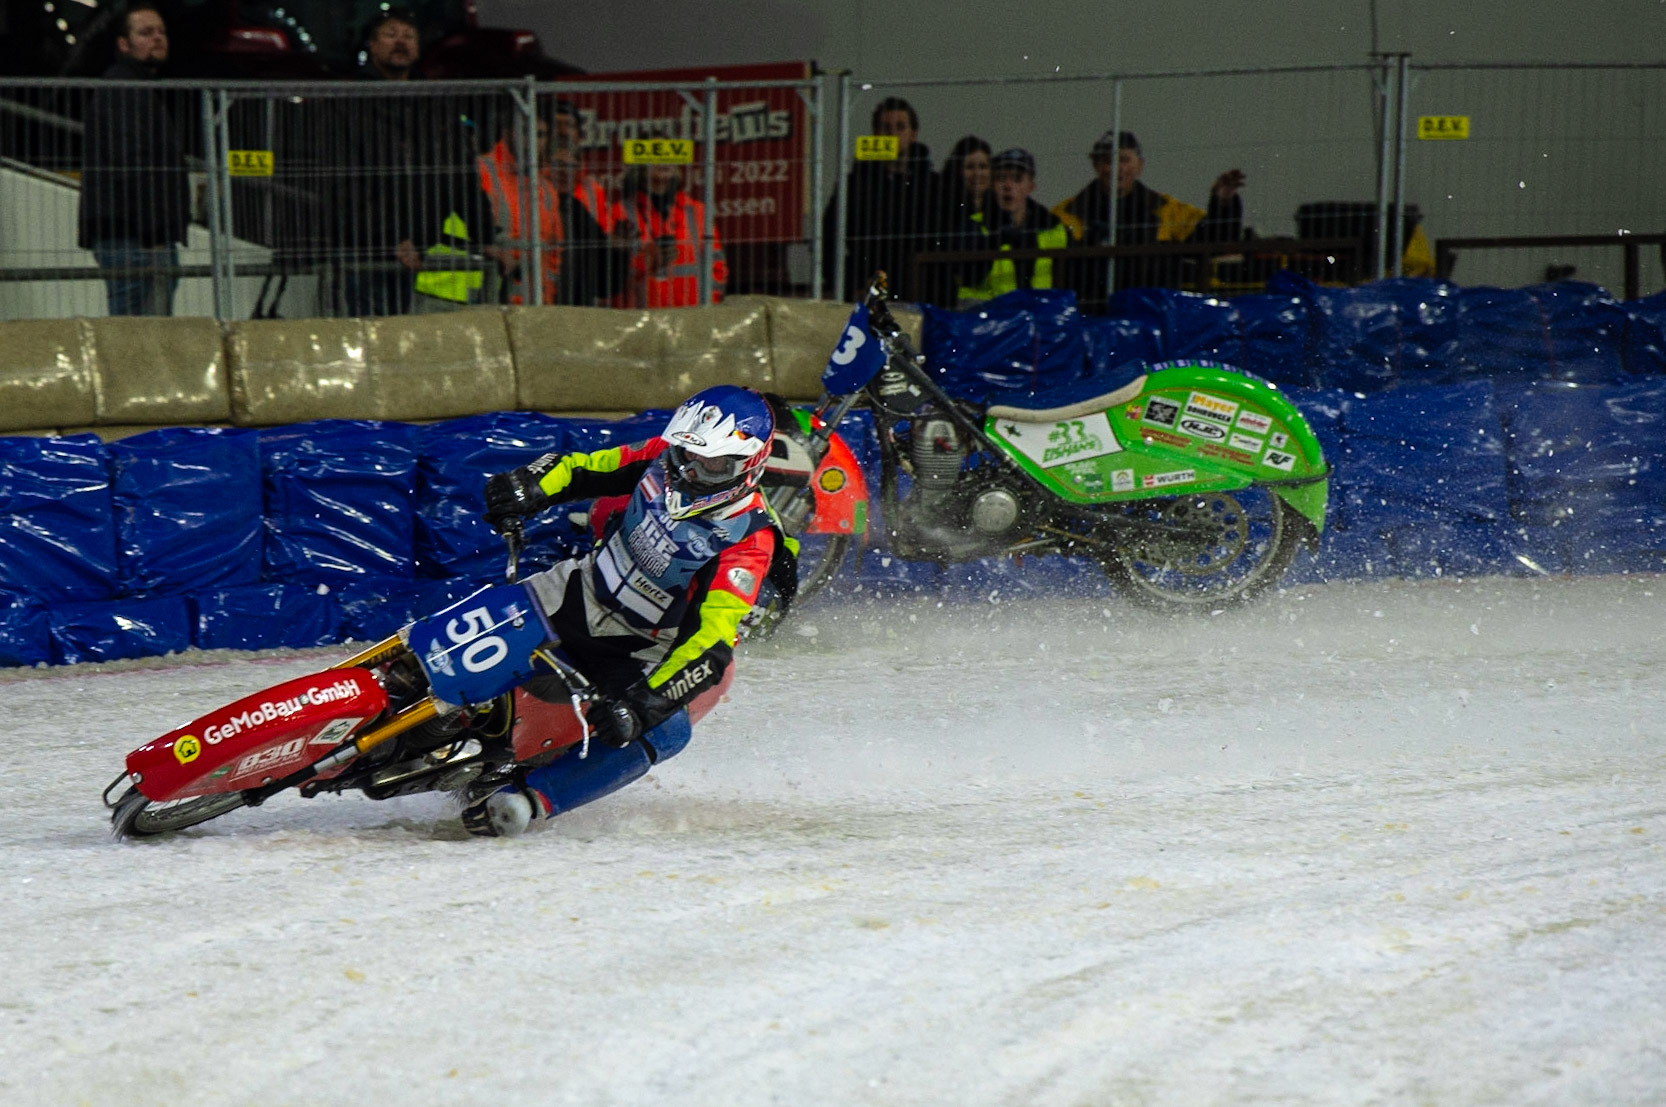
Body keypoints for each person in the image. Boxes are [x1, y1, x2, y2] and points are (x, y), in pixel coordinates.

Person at [461, 385, 792, 837]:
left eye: (712, 463)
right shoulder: (661, 455)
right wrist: (528, 485)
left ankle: (528, 800)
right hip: (577, 591)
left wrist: (646, 705)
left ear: (747, 464)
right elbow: (582, 467)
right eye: (687, 454)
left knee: (668, 732)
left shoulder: (750, 538)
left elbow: (710, 640)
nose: (690, 471)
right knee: (492, 607)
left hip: (638, 650)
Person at [326, 8, 491, 316]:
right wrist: (390, 239)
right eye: (391, 34)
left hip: (413, 250)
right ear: (372, 45)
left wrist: (486, 236)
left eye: (409, 36)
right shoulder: (350, 101)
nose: (400, 42)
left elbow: (462, 177)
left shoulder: (436, 103)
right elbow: (345, 185)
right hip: (365, 252)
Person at [78, 2, 189, 317]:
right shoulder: (124, 88)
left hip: (137, 235)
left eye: (161, 32)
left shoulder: (133, 86)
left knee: (141, 329)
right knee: (136, 331)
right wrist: (154, 233)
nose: (158, 38)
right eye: (146, 33)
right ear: (124, 44)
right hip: (135, 238)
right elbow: (129, 161)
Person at [1052, 130, 1244, 306]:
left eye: (1124, 160)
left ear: (1140, 165)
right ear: (1096, 165)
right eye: (1107, 161)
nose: (1116, 168)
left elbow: (1216, 238)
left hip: (1154, 318)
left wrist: (1223, 203)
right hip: (1089, 317)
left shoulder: (1166, 209)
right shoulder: (1067, 214)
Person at [821, 96, 944, 302]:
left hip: (922, 291)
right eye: (885, 127)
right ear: (875, 134)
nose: (893, 134)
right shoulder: (855, 184)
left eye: (900, 127)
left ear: (913, 134)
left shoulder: (934, 185)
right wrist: (847, 286)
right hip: (869, 288)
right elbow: (829, 236)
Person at [957, 148, 1069, 304]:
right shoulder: (974, 226)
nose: (1008, 186)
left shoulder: (1053, 228)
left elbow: (1070, 281)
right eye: (1001, 178)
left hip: (1039, 312)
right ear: (992, 185)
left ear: (1031, 186)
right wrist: (993, 243)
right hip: (987, 313)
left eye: (1017, 179)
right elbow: (968, 278)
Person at [619, 164, 727, 307]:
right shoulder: (620, 212)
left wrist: (709, 303)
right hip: (643, 315)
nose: (664, 160)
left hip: (693, 313)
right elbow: (614, 275)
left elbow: (717, 265)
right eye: (656, 155)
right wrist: (649, 261)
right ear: (640, 166)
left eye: (670, 156)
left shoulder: (697, 211)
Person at [937, 135, 995, 305]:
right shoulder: (947, 213)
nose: (977, 173)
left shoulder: (1000, 210)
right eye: (970, 167)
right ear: (957, 170)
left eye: (983, 166)